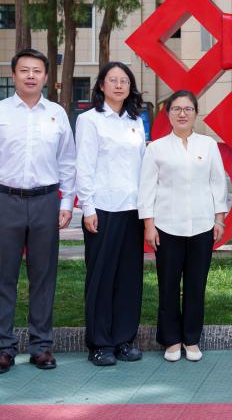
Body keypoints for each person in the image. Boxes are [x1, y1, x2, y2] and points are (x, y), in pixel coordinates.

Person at [0, 48, 75, 375]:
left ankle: (41, 347)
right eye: (24, 70)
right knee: (4, 277)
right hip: (5, 202)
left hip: (46, 202)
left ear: (46, 76)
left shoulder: (57, 114)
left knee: (44, 276)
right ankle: (4, 349)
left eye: (37, 71)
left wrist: (67, 203)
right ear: (13, 74)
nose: (31, 76)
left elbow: (68, 163)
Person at [138, 90, 229, 362]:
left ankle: (191, 339)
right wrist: (149, 225)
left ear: (195, 114)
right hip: (167, 227)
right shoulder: (156, 148)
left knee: (195, 285)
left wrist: (219, 219)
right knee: (168, 285)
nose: (182, 114)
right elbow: (147, 189)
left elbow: (218, 183)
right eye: (176, 109)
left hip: (202, 225)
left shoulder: (208, 145)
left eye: (188, 109)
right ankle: (171, 340)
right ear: (168, 114)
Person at [75, 61, 147, 366]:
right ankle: (100, 343)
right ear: (101, 85)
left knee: (129, 278)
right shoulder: (89, 120)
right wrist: (87, 207)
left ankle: (123, 340)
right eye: (113, 80)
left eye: (124, 81)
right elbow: (84, 165)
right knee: (101, 278)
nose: (119, 85)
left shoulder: (136, 122)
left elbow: (142, 165)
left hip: (133, 210)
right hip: (102, 210)